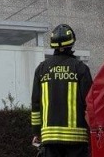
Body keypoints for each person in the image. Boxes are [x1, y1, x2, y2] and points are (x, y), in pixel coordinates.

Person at [31, 24, 93, 157]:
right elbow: (90, 103)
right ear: (72, 43)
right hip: (77, 140)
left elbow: (35, 105)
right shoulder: (81, 69)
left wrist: (36, 132)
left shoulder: (41, 69)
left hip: (49, 139)